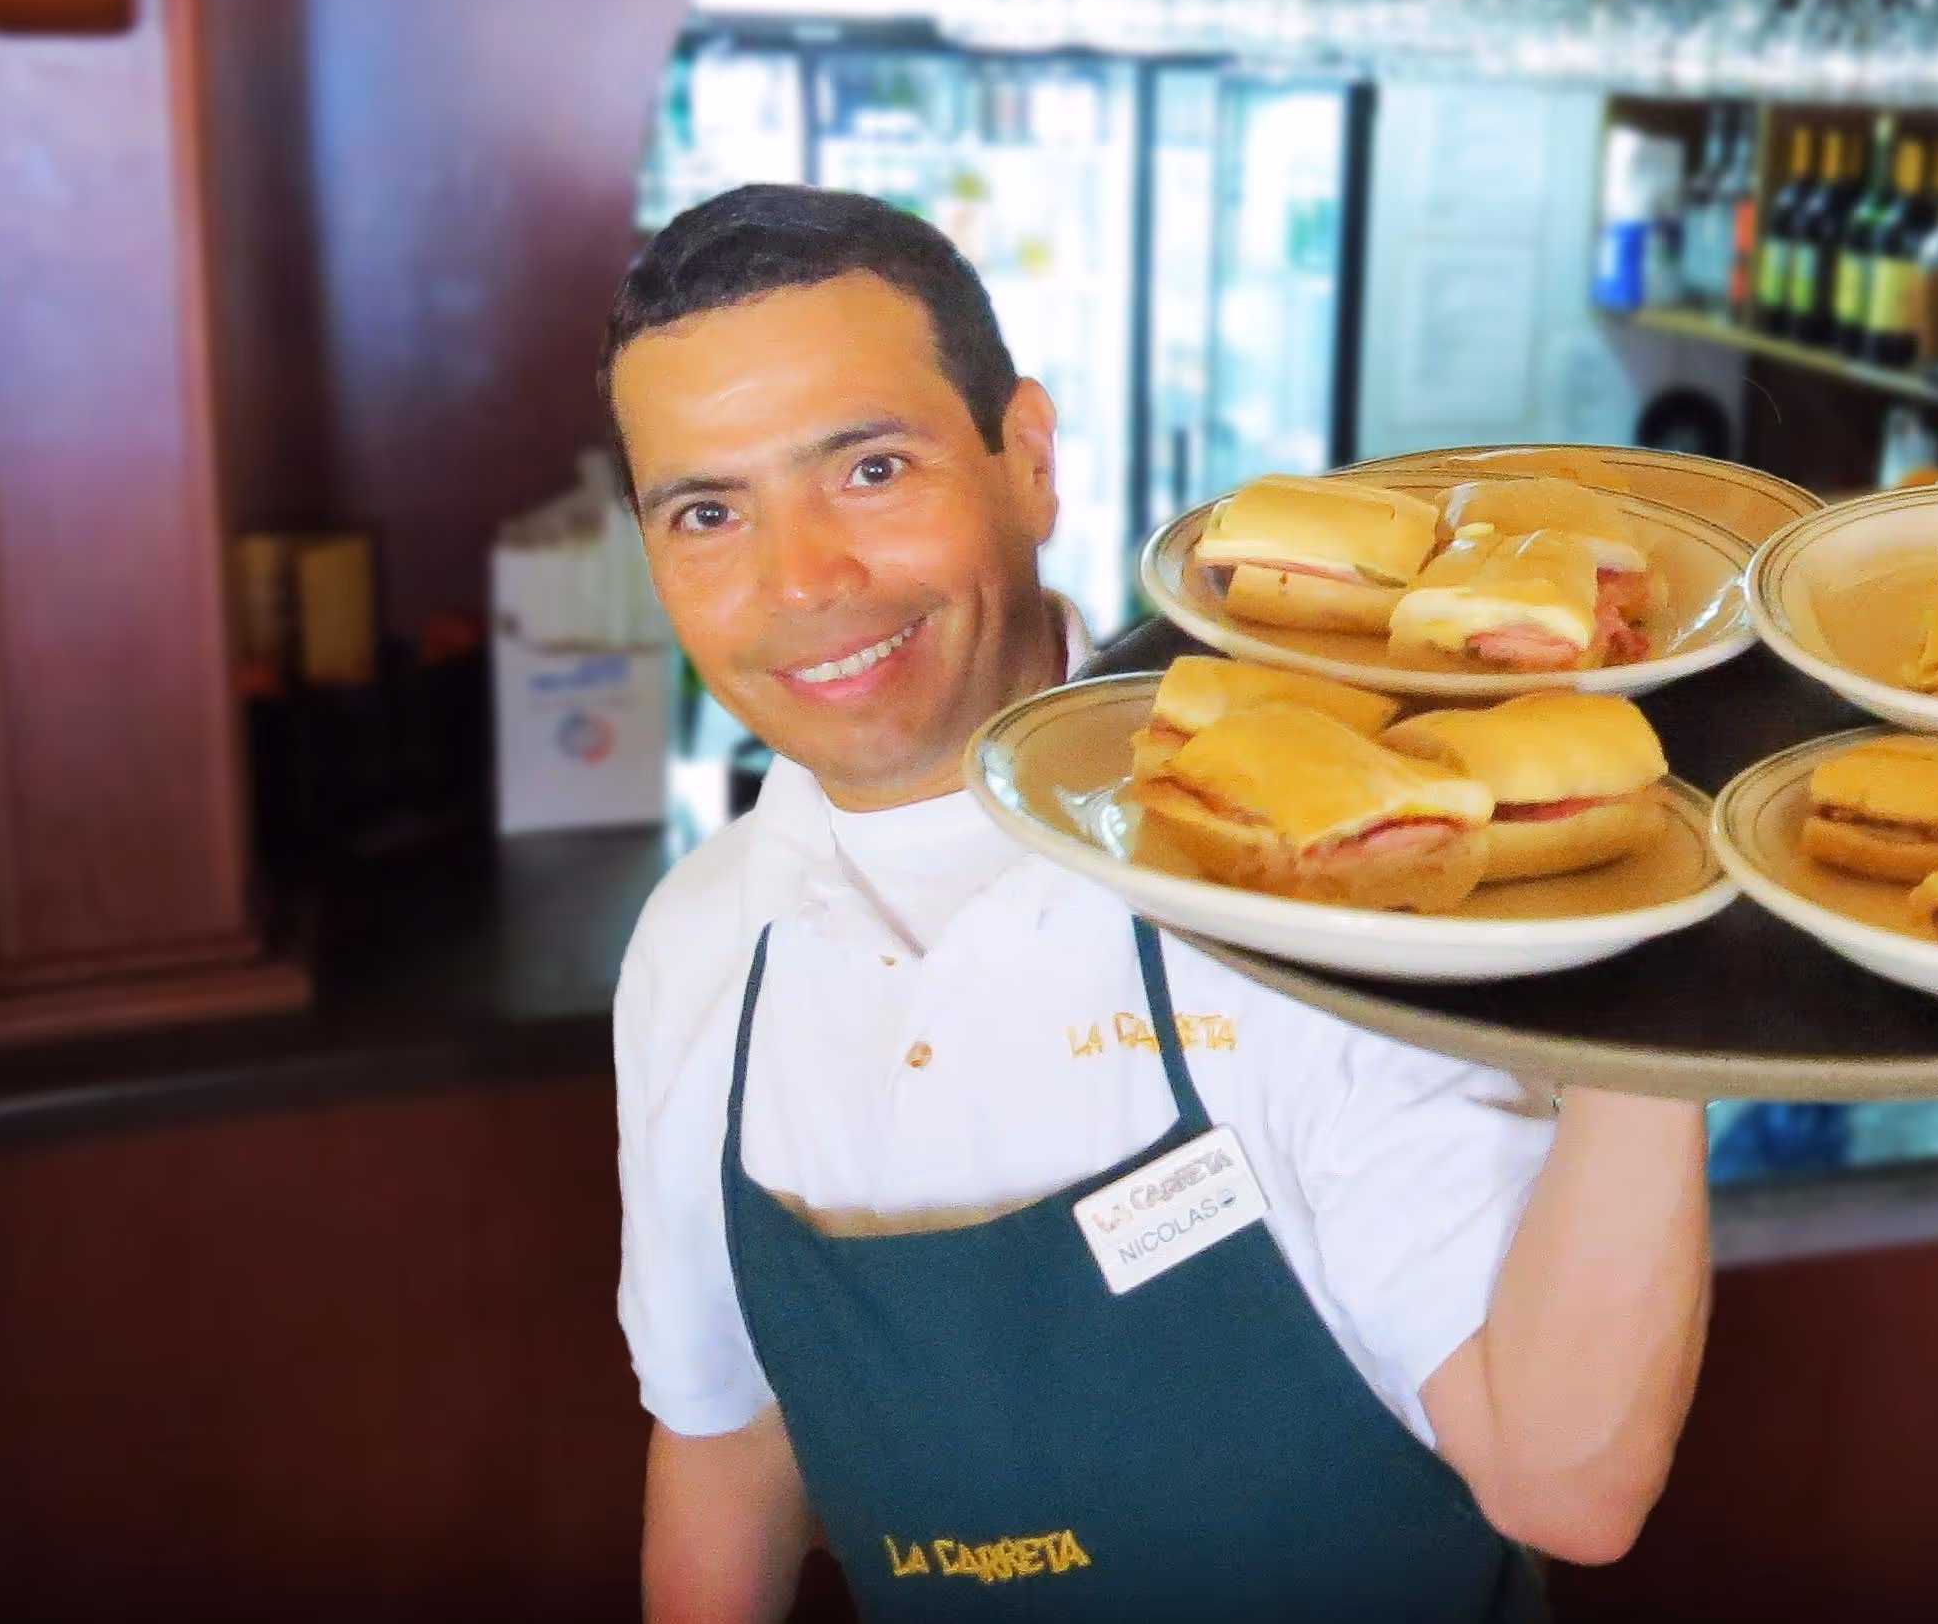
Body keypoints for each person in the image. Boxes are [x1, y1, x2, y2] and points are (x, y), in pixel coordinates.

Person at [605, 185, 1710, 1622]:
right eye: (706, 509)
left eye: (871, 470)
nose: (801, 579)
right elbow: (727, 1442)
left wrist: (1664, 942)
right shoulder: (699, 946)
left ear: (1029, 460)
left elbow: (1565, 1481)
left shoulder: (1306, 867)